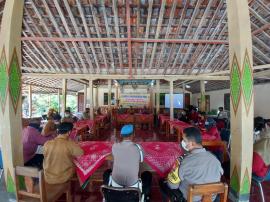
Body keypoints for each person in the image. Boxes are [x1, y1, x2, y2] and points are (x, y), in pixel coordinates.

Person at [159, 127, 223, 202]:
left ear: (192, 143)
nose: (182, 142)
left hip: (189, 199)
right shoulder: (215, 159)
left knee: (162, 182)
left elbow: (173, 186)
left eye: (184, 140)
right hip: (212, 199)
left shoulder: (184, 161)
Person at [103, 124, 152, 201]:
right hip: (133, 187)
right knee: (147, 175)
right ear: (133, 135)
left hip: (115, 184)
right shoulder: (138, 148)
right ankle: (145, 197)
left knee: (107, 172)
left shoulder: (115, 146)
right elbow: (142, 159)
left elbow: (114, 156)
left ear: (121, 135)